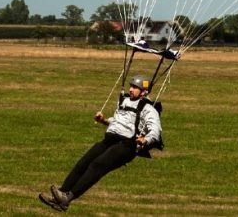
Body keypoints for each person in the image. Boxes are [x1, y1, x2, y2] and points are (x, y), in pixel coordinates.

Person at [38, 75, 162, 212]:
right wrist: (104, 121)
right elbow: (118, 122)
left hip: (127, 145)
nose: (131, 89)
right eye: (131, 86)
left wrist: (145, 139)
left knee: (97, 165)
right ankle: (60, 194)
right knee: (83, 163)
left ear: (144, 91)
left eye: (135, 87)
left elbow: (155, 130)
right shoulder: (124, 100)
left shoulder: (148, 108)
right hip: (109, 140)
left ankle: (67, 198)